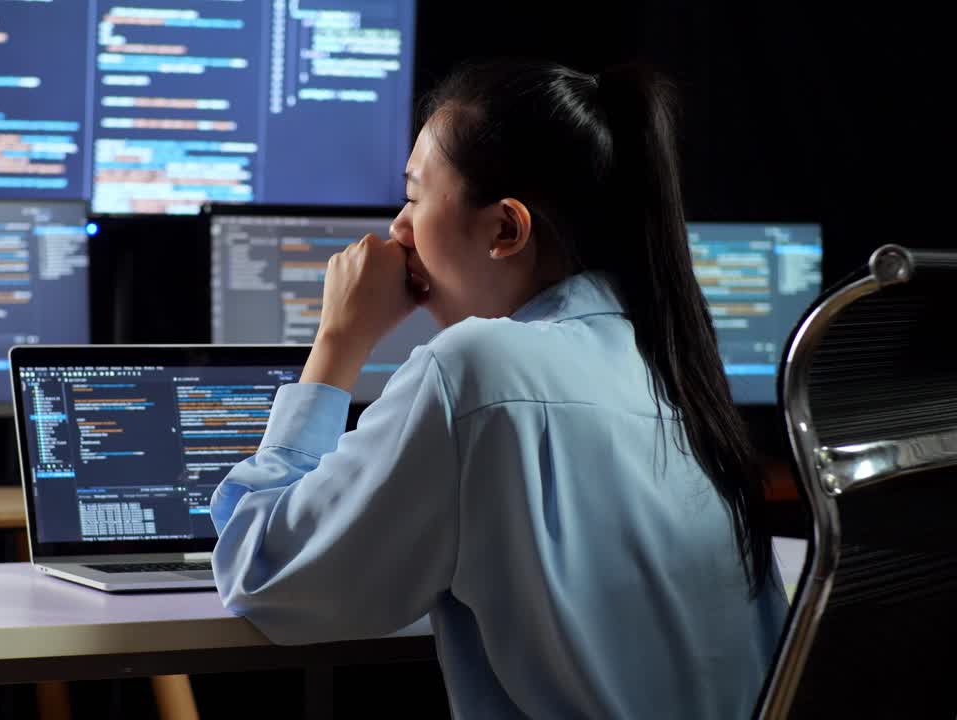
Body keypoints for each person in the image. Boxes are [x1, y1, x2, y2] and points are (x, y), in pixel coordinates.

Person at [208, 58, 788, 720]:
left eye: (415, 196)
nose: (398, 228)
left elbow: (268, 580)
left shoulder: (475, 368)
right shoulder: (670, 364)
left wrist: (338, 342)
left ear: (505, 230)